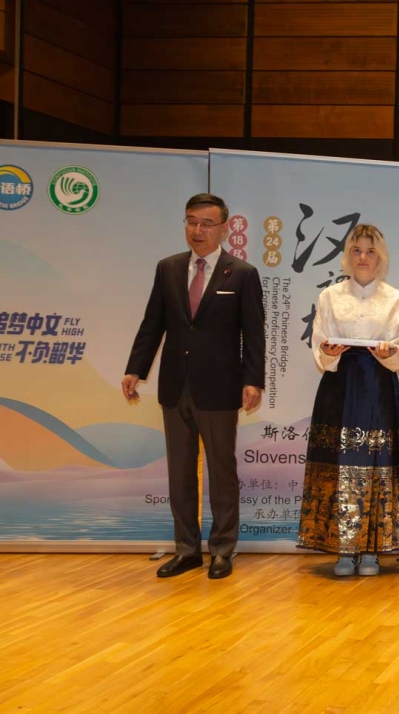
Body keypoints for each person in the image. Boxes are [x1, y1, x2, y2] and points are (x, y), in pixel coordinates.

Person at [122, 193, 265, 580]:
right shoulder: (168, 268)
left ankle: (222, 549)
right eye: (191, 221)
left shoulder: (242, 273)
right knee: (180, 472)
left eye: (206, 223)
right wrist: (135, 369)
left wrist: (253, 380)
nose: (197, 230)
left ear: (224, 229)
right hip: (174, 386)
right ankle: (186, 549)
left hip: (219, 388)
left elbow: (254, 333)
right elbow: (153, 323)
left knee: (221, 470)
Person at [296, 224, 399, 576]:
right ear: (347, 255)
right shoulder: (330, 296)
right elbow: (320, 342)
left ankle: (373, 548)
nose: (363, 257)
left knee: (376, 461)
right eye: (357, 251)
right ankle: (344, 548)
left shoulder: (396, 299)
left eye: (370, 251)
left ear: (381, 257)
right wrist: (328, 351)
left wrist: (390, 352)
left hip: (378, 385)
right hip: (340, 385)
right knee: (340, 462)